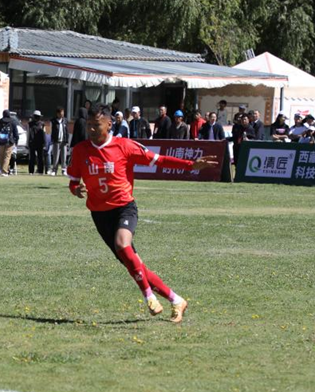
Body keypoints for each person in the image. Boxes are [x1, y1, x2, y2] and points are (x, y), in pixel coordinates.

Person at [67, 109, 218, 323]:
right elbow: (73, 181)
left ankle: (149, 297)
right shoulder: (80, 150)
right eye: (89, 124)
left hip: (124, 208)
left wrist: (190, 165)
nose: (91, 129)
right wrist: (76, 189)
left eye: (96, 125)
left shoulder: (125, 146)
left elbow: (159, 160)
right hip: (99, 214)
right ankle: (176, 300)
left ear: (109, 124)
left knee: (123, 244)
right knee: (133, 263)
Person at [0, 110, 18, 176]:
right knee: (7, 156)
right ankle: (4, 171)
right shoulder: (12, 121)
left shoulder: (0, 121)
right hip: (9, 141)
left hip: (1, 141)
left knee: (1, 156)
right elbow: (15, 132)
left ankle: (2, 170)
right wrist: (16, 141)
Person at [48, 107, 68, 175]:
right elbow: (51, 131)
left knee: (64, 156)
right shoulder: (53, 121)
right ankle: (54, 170)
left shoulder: (65, 120)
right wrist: (52, 140)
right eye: (61, 113)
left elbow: (66, 131)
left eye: (63, 112)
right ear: (58, 113)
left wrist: (67, 140)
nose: (62, 114)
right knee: (56, 156)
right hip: (56, 141)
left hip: (64, 141)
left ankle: (64, 170)